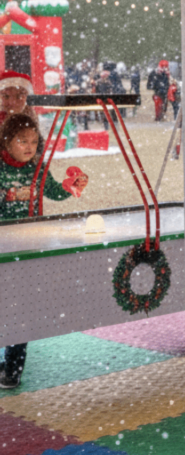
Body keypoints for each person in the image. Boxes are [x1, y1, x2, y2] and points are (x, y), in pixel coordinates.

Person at [0, 113, 88, 388]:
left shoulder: (37, 166)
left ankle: (12, 369)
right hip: (3, 246)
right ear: (6, 142)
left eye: (34, 141)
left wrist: (69, 185)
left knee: (21, 310)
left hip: (29, 247)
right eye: (22, 141)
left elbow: (51, 190)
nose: (29, 146)